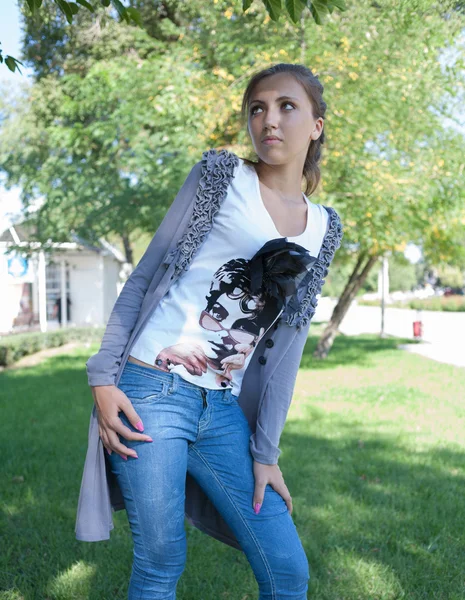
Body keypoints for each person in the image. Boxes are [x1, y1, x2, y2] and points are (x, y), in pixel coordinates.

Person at [76, 63, 344, 599]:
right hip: (150, 390)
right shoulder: (221, 177)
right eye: (257, 108)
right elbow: (147, 274)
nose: (269, 119)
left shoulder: (324, 227)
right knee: (159, 562)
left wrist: (266, 454)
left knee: (286, 566)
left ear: (316, 124)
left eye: (287, 106)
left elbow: (288, 345)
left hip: (220, 409)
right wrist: (103, 379)